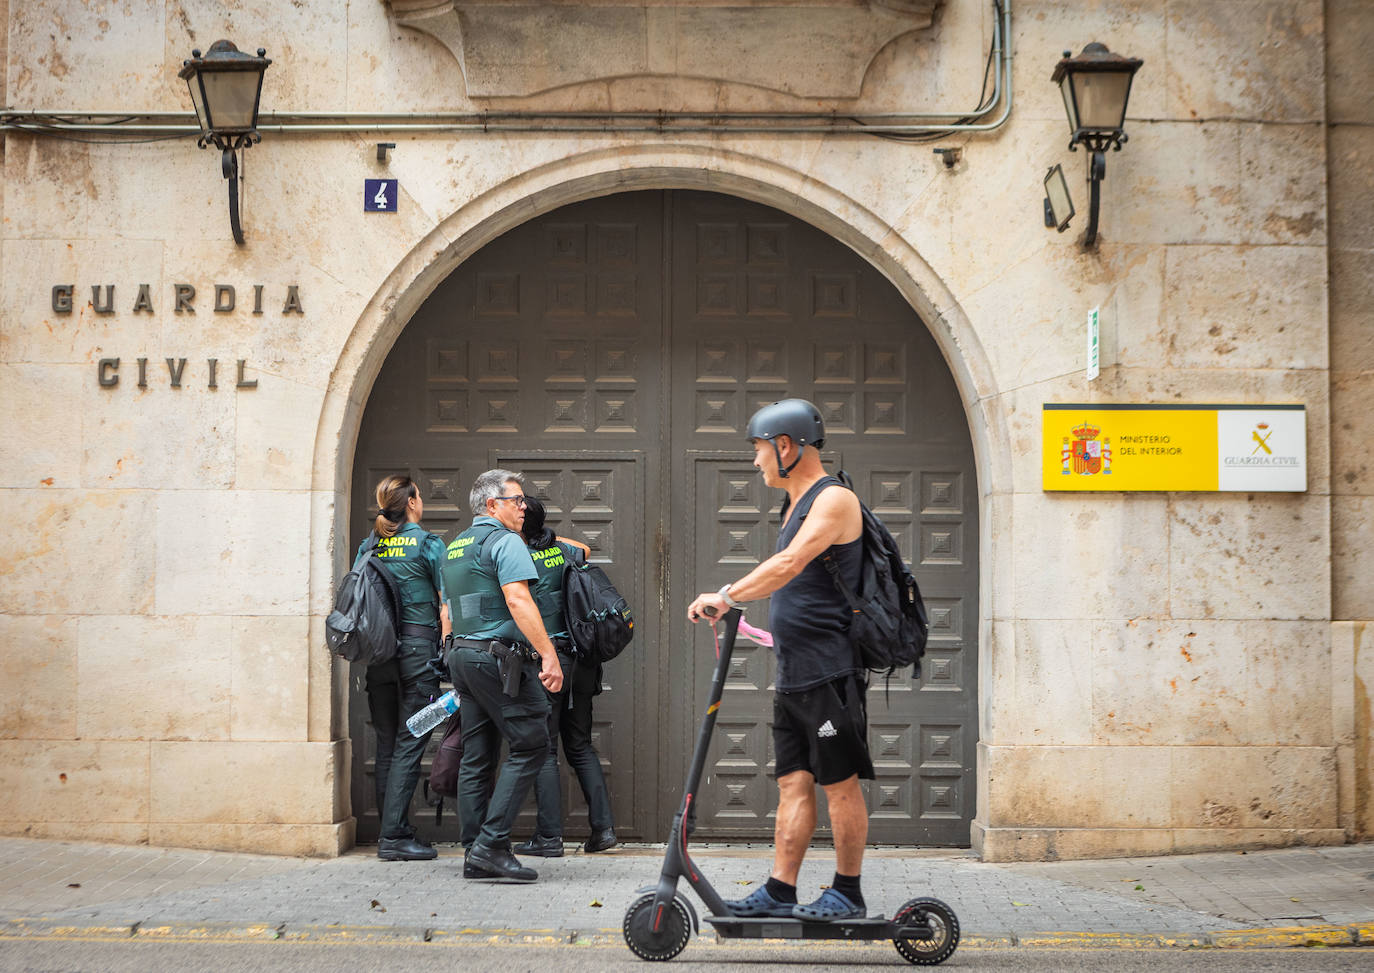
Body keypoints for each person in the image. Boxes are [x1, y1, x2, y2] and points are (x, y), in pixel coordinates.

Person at [686, 398, 873, 921]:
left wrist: (727, 596)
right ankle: (779, 889)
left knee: (839, 782)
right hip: (795, 671)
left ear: (786, 447)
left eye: (759, 450)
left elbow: (790, 564)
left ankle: (848, 892)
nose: (756, 462)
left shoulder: (833, 499)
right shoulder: (794, 505)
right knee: (793, 781)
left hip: (830, 669)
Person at [442, 469, 564, 883]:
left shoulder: (455, 547)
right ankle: (491, 846)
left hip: (463, 655)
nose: (524, 506)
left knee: (477, 755)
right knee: (532, 743)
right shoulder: (506, 541)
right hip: (496, 659)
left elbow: (447, 611)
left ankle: (474, 850)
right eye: (516, 500)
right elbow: (517, 598)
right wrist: (549, 654)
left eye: (523, 500)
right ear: (492, 505)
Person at [513, 496, 618, 859]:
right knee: (579, 745)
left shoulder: (518, 556)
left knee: (544, 750)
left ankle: (548, 836)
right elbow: (584, 547)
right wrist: (553, 539)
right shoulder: (565, 551)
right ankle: (603, 830)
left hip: (550, 663)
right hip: (584, 663)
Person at [358, 475, 448, 862]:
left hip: (378, 654)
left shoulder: (369, 545)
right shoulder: (428, 544)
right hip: (417, 652)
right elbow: (448, 603)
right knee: (412, 738)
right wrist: (447, 646)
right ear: (412, 503)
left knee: (386, 743)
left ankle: (393, 829)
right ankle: (394, 837)